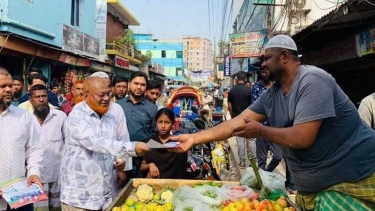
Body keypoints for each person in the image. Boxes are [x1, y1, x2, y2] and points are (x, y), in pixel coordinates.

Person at [172, 35, 375, 210]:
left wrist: (261, 130)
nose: (263, 63)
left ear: (285, 56)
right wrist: (193, 138)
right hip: (317, 189)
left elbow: (302, 137)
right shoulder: (272, 94)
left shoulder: (313, 80)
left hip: (355, 179)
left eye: (267, 58)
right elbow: (234, 124)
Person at [60, 77, 150, 211]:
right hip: (79, 199)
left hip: (104, 196)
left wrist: (120, 161)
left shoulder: (110, 117)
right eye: (101, 95)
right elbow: (95, 143)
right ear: (86, 96)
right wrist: (132, 148)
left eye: (109, 94)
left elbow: (114, 143)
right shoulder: (77, 115)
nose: (107, 99)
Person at [0, 68, 43, 211]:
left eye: (10, 86)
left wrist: (33, 172)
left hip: (20, 197)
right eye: (2, 86)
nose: (8, 90)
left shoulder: (24, 116)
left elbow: (34, 149)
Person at [28, 84, 66, 211]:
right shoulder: (26, 118)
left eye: (44, 96)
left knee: (57, 209)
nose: (41, 99)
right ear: (30, 100)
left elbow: (69, 143)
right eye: (37, 97)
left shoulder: (60, 116)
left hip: (57, 175)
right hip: (36, 177)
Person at [117, 72, 158, 181]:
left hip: (142, 160)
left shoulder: (152, 109)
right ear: (129, 84)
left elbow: (155, 136)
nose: (139, 87)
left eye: (143, 85)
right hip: (122, 157)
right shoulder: (118, 106)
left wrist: (148, 162)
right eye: (136, 83)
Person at [250, 60, 282, 173]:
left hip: (275, 129)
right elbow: (254, 107)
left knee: (278, 156)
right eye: (262, 71)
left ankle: (267, 173)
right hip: (261, 129)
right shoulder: (256, 88)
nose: (264, 73)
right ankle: (262, 183)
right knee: (262, 160)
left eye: (266, 71)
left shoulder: (277, 87)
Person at [140, 108, 187, 179]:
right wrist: (150, 165)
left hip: (174, 185)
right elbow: (142, 167)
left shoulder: (178, 144)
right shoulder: (150, 142)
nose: (163, 126)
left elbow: (182, 169)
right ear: (156, 123)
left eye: (167, 122)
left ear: (173, 124)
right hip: (154, 184)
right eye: (160, 122)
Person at [227, 71, 252, 168]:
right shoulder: (249, 90)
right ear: (245, 79)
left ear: (236, 79)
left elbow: (229, 105)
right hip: (249, 118)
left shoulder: (232, 91)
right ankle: (253, 162)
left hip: (237, 118)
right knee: (251, 140)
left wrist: (233, 116)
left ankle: (242, 162)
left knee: (240, 140)